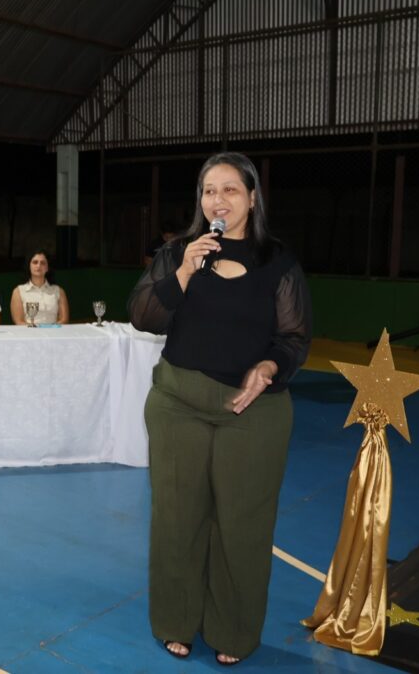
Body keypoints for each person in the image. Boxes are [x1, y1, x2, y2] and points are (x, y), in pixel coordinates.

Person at [127, 152, 311, 665]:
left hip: (251, 413)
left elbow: (294, 338)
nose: (219, 200)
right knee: (177, 520)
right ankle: (175, 620)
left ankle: (233, 629)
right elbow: (144, 316)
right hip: (177, 405)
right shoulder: (180, 254)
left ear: (252, 197)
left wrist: (269, 368)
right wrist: (184, 269)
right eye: (210, 190)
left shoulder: (278, 261)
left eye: (231, 189)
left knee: (242, 526)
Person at [10, 250, 69, 325]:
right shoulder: (18, 291)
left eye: (43, 263)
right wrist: (36, 330)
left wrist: (50, 330)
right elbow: (19, 321)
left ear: (47, 268)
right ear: (29, 266)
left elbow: (64, 320)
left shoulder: (58, 291)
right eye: (35, 262)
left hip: (54, 334)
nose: (38, 266)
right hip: (29, 334)